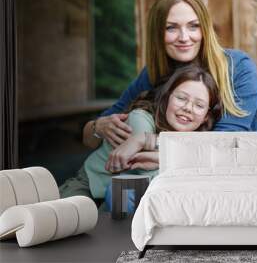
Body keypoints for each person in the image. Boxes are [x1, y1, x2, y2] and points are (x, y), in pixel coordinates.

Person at [82, 0, 257, 159]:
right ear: (157, 33)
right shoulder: (153, 74)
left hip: (227, 178)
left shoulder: (238, 68)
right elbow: (89, 138)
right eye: (171, 28)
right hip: (165, 179)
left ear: (204, 29)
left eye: (193, 26)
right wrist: (98, 127)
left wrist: (150, 144)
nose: (184, 37)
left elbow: (224, 144)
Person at [60, 64, 222, 202]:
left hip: (120, 196)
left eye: (199, 105)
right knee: (68, 222)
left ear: (205, 117)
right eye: (181, 98)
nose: (188, 108)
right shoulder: (140, 118)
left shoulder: (196, 139)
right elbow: (147, 171)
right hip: (89, 185)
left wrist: (145, 140)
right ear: (166, 98)